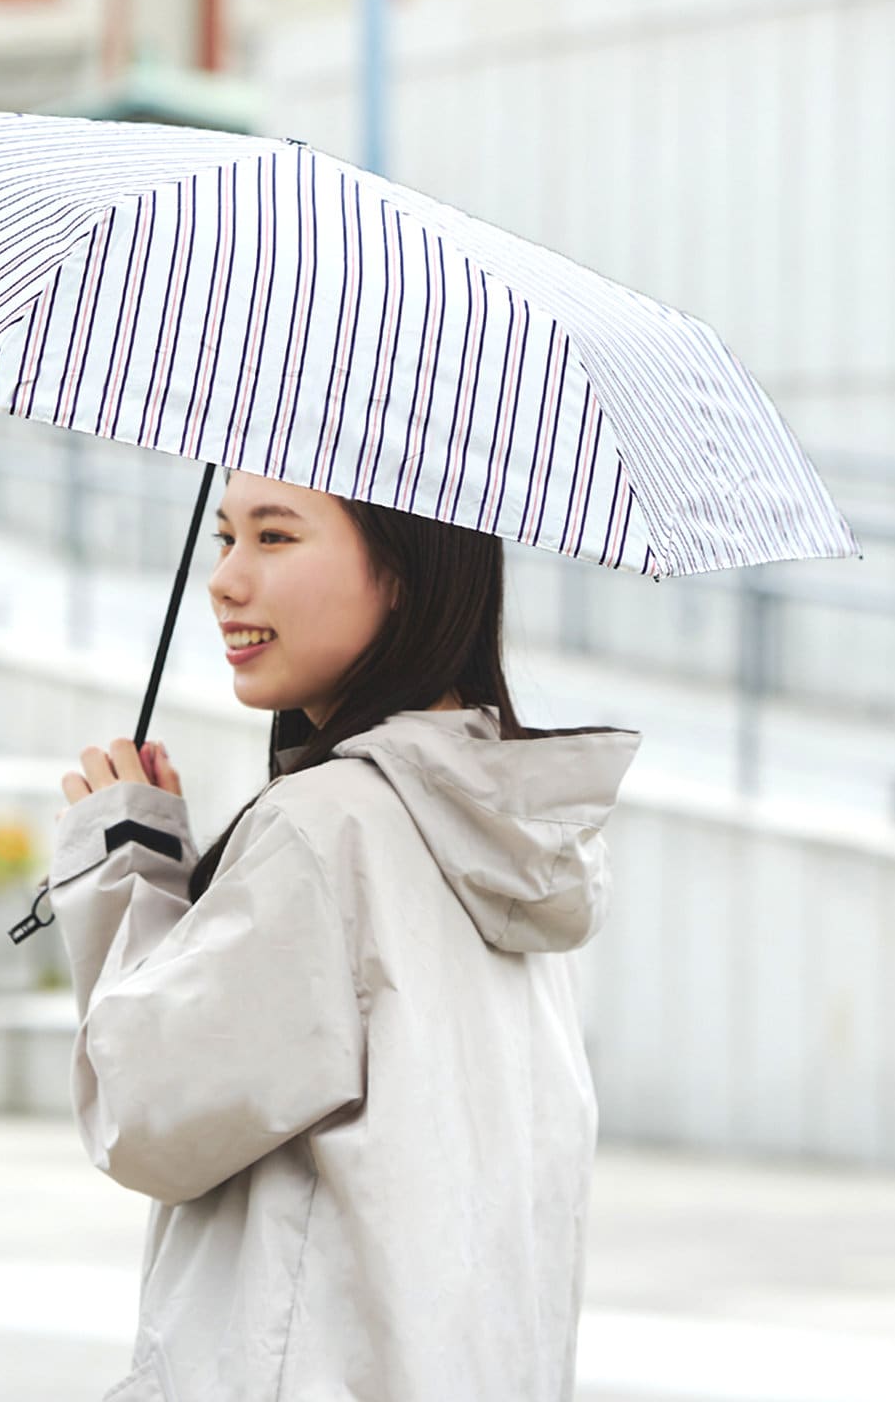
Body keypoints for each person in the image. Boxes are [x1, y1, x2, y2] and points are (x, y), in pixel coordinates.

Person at [51, 466, 641, 1402]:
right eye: (225, 536)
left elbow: (146, 1108)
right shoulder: (503, 830)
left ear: (408, 575)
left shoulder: (332, 827)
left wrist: (126, 865)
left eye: (276, 537)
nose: (227, 579)